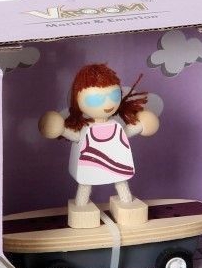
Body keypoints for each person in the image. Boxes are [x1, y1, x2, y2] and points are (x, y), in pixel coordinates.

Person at [39, 63, 159, 228]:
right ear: (77, 100)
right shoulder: (86, 130)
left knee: (120, 180)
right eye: (96, 99)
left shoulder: (116, 127)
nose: (108, 103)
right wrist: (60, 129)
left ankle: (125, 202)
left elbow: (129, 131)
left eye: (114, 95)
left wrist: (141, 125)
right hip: (90, 164)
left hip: (117, 164)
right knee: (86, 183)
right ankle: (82, 206)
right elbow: (74, 136)